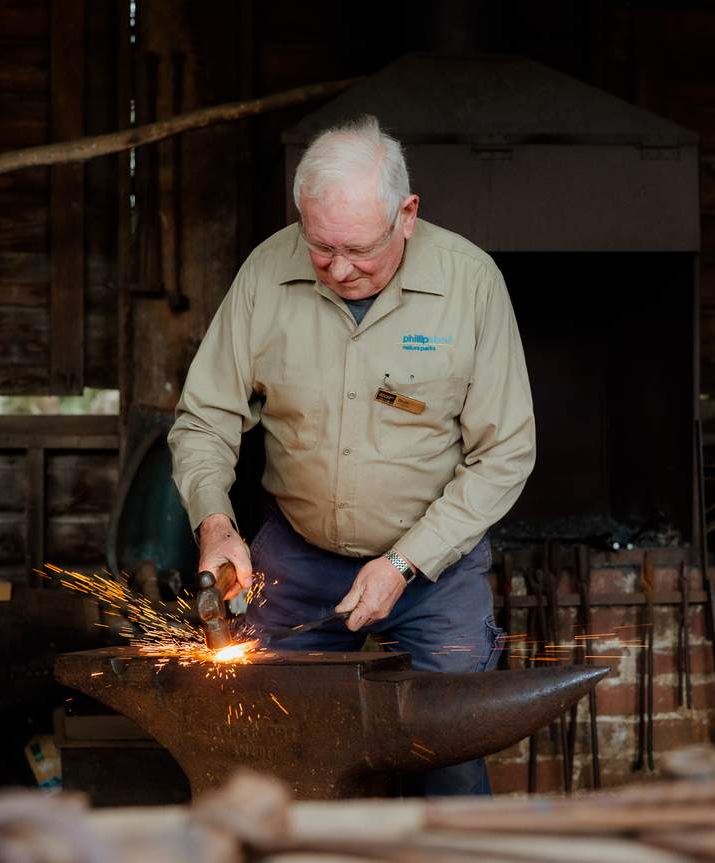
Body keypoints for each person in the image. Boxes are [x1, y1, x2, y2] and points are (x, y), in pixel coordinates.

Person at [168, 114, 535, 795]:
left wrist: (403, 563)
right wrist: (214, 523)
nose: (339, 269)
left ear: (406, 214)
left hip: (434, 569)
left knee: (449, 764)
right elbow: (204, 419)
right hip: (297, 561)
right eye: (320, 247)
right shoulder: (264, 274)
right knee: (269, 758)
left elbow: (504, 453)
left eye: (359, 250)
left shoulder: (471, 283)